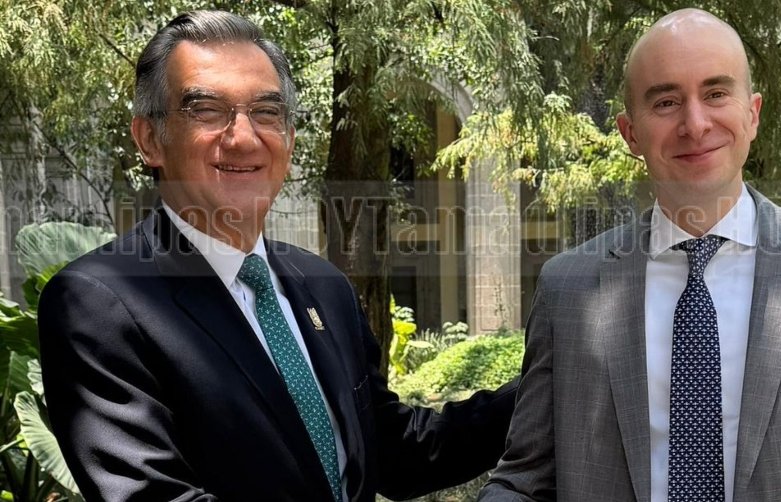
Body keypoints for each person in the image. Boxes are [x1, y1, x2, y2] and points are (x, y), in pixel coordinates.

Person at [38, 10, 516, 502]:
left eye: (267, 113)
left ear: (289, 138)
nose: (244, 137)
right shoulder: (99, 304)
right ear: (149, 139)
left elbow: (395, 451)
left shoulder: (324, 286)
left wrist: (544, 387)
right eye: (207, 111)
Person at [479, 8, 781, 502]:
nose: (695, 124)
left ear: (752, 114)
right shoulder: (567, 288)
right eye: (666, 102)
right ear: (631, 134)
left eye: (716, 94)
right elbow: (524, 481)